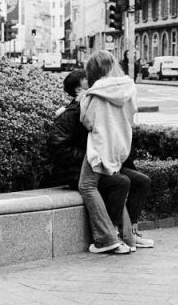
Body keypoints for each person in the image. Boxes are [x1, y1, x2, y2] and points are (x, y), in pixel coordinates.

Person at [48, 68, 131, 254]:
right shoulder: (71, 113)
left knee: (132, 179)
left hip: (94, 164)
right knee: (119, 182)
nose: (93, 82)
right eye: (87, 80)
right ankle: (110, 235)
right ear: (79, 90)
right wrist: (88, 157)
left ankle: (124, 234)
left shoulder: (91, 105)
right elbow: (58, 146)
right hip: (73, 170)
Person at [79, 50, 154, 253]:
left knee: (87, 186)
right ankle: (126, 237)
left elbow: (87, 121)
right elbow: (132, 116)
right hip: (120, 146)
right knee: (119, 182)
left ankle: (106, 238)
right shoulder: (128, 88)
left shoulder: (94, 93)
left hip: (100, 146)